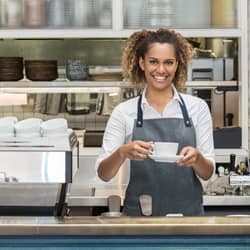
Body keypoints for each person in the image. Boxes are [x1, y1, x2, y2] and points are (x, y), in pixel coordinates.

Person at [95, 28, 215, 216]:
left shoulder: (197, 108)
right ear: (142, 63)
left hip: (188, 223)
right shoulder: (124, 112)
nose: (161, 70)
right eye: (153, 62)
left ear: (177, 64)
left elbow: (207, 173)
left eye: (168, 62)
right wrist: (122, 152)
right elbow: (104, 174)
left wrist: (197, 159)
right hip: (139, 223)